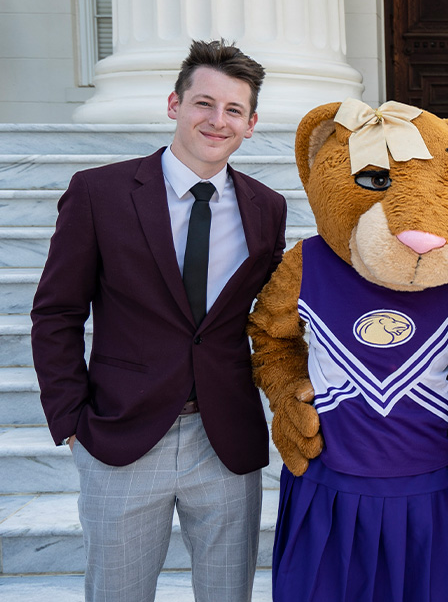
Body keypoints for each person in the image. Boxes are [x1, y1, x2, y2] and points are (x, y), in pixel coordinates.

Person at [31, 39, 287, 601]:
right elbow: (57, 312)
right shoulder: (99, 193)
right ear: (175, 105)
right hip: (121, 434)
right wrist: (71, 419)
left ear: (251, 124)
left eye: (234, 110)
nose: (217, 120)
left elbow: (271, 316)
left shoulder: (267, 208)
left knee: (228, 593)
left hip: (225, 437)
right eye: (204, 103)